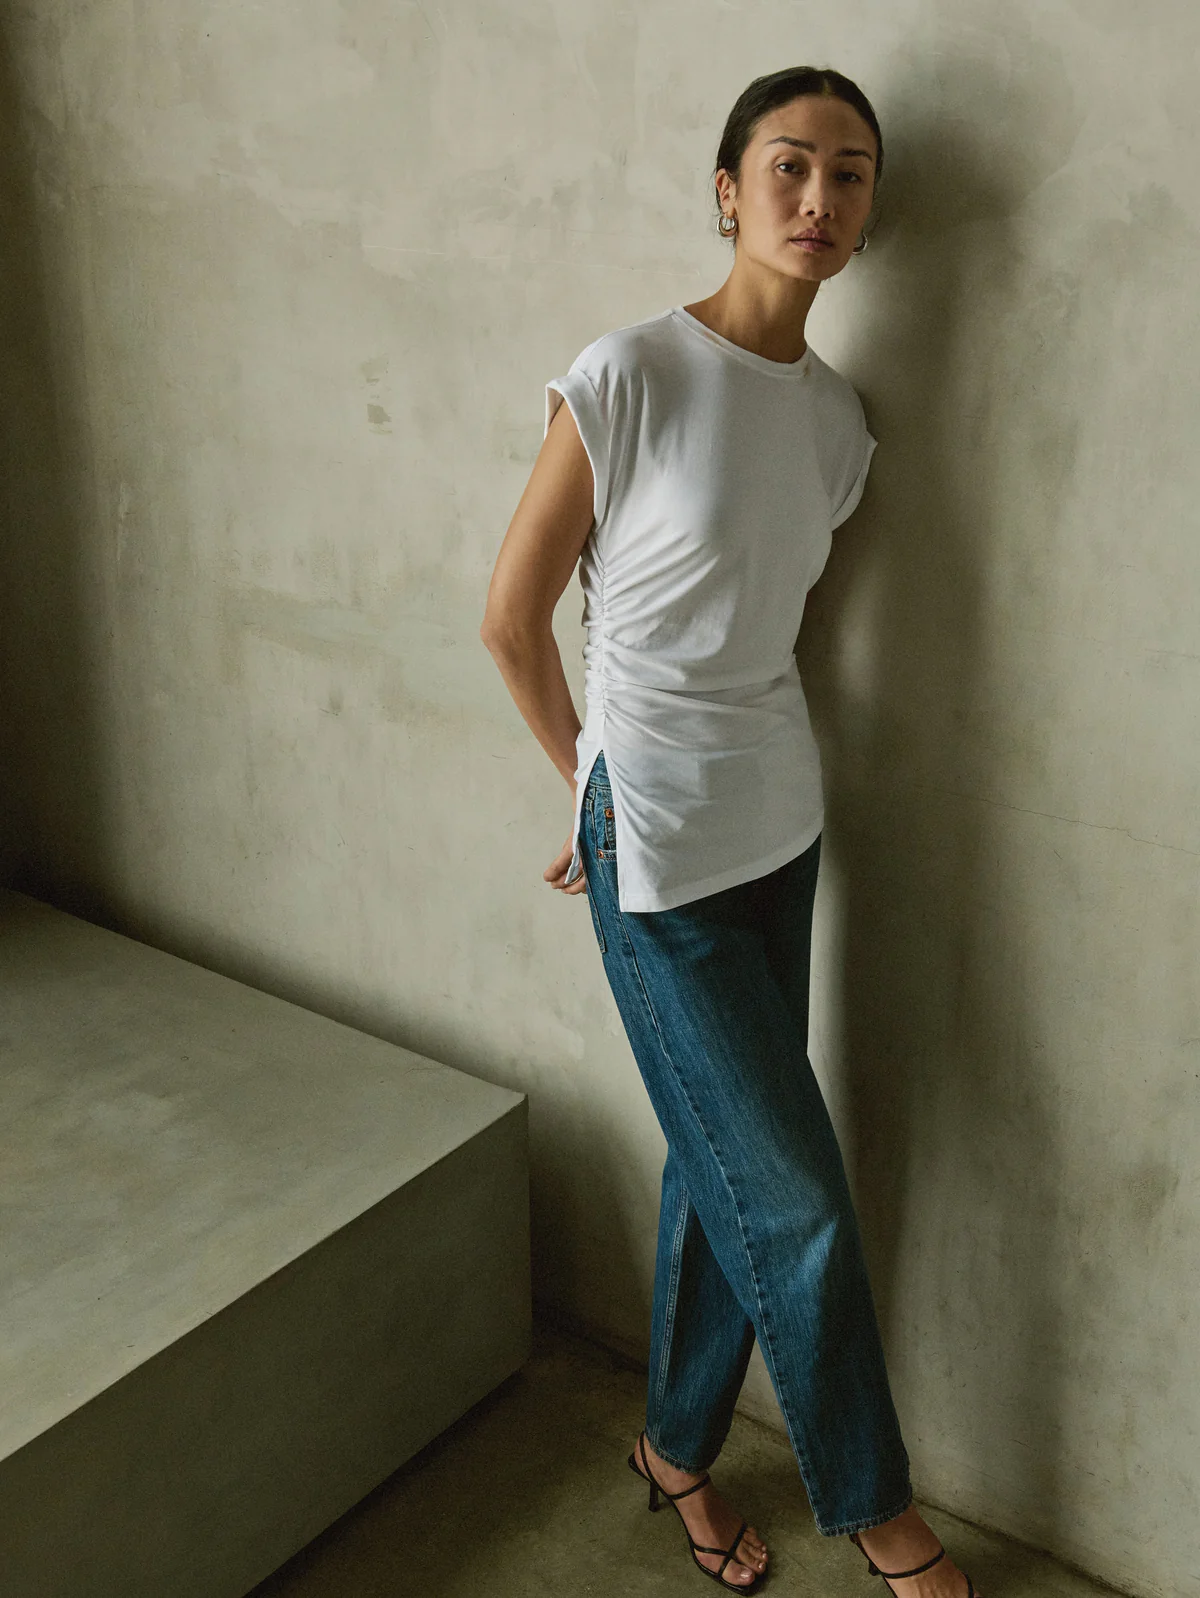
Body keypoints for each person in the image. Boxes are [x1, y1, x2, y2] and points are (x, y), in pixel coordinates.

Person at [481, 65, 978, 1598]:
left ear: (870, 209)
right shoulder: (630, 371)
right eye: (789, 165)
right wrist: (589, 785)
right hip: (657, 843)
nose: (819, 197)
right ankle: (881, 1514)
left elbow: (760, 632)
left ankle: (675, 1448)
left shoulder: (839, 425)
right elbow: (510, 618)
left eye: (850, 172)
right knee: (799, 1201)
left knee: (723, 1167)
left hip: (783, 824)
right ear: (728, 188)